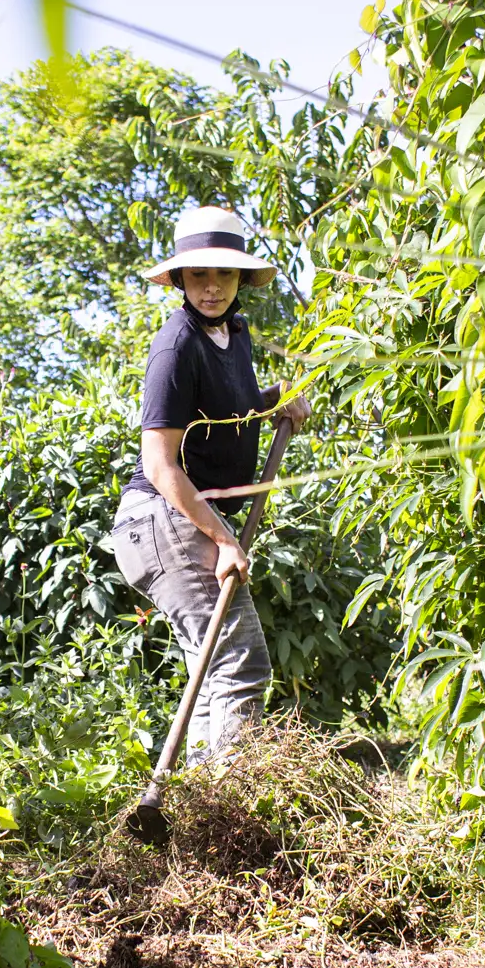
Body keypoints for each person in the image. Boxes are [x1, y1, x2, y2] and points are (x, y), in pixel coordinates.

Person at [108, 206, 310, 844]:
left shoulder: (235, 336)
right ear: (181, 279)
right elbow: (161, 465)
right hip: (162, 515)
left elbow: (227, 411)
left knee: (214, 667)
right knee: (240, 662)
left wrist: (274, 401)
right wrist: (223, 539)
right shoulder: (177, 345)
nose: (211, 286)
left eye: (222, 273)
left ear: (239, 278)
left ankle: (189, 815)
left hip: (183, 515)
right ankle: (225, 815)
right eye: (198, 274)